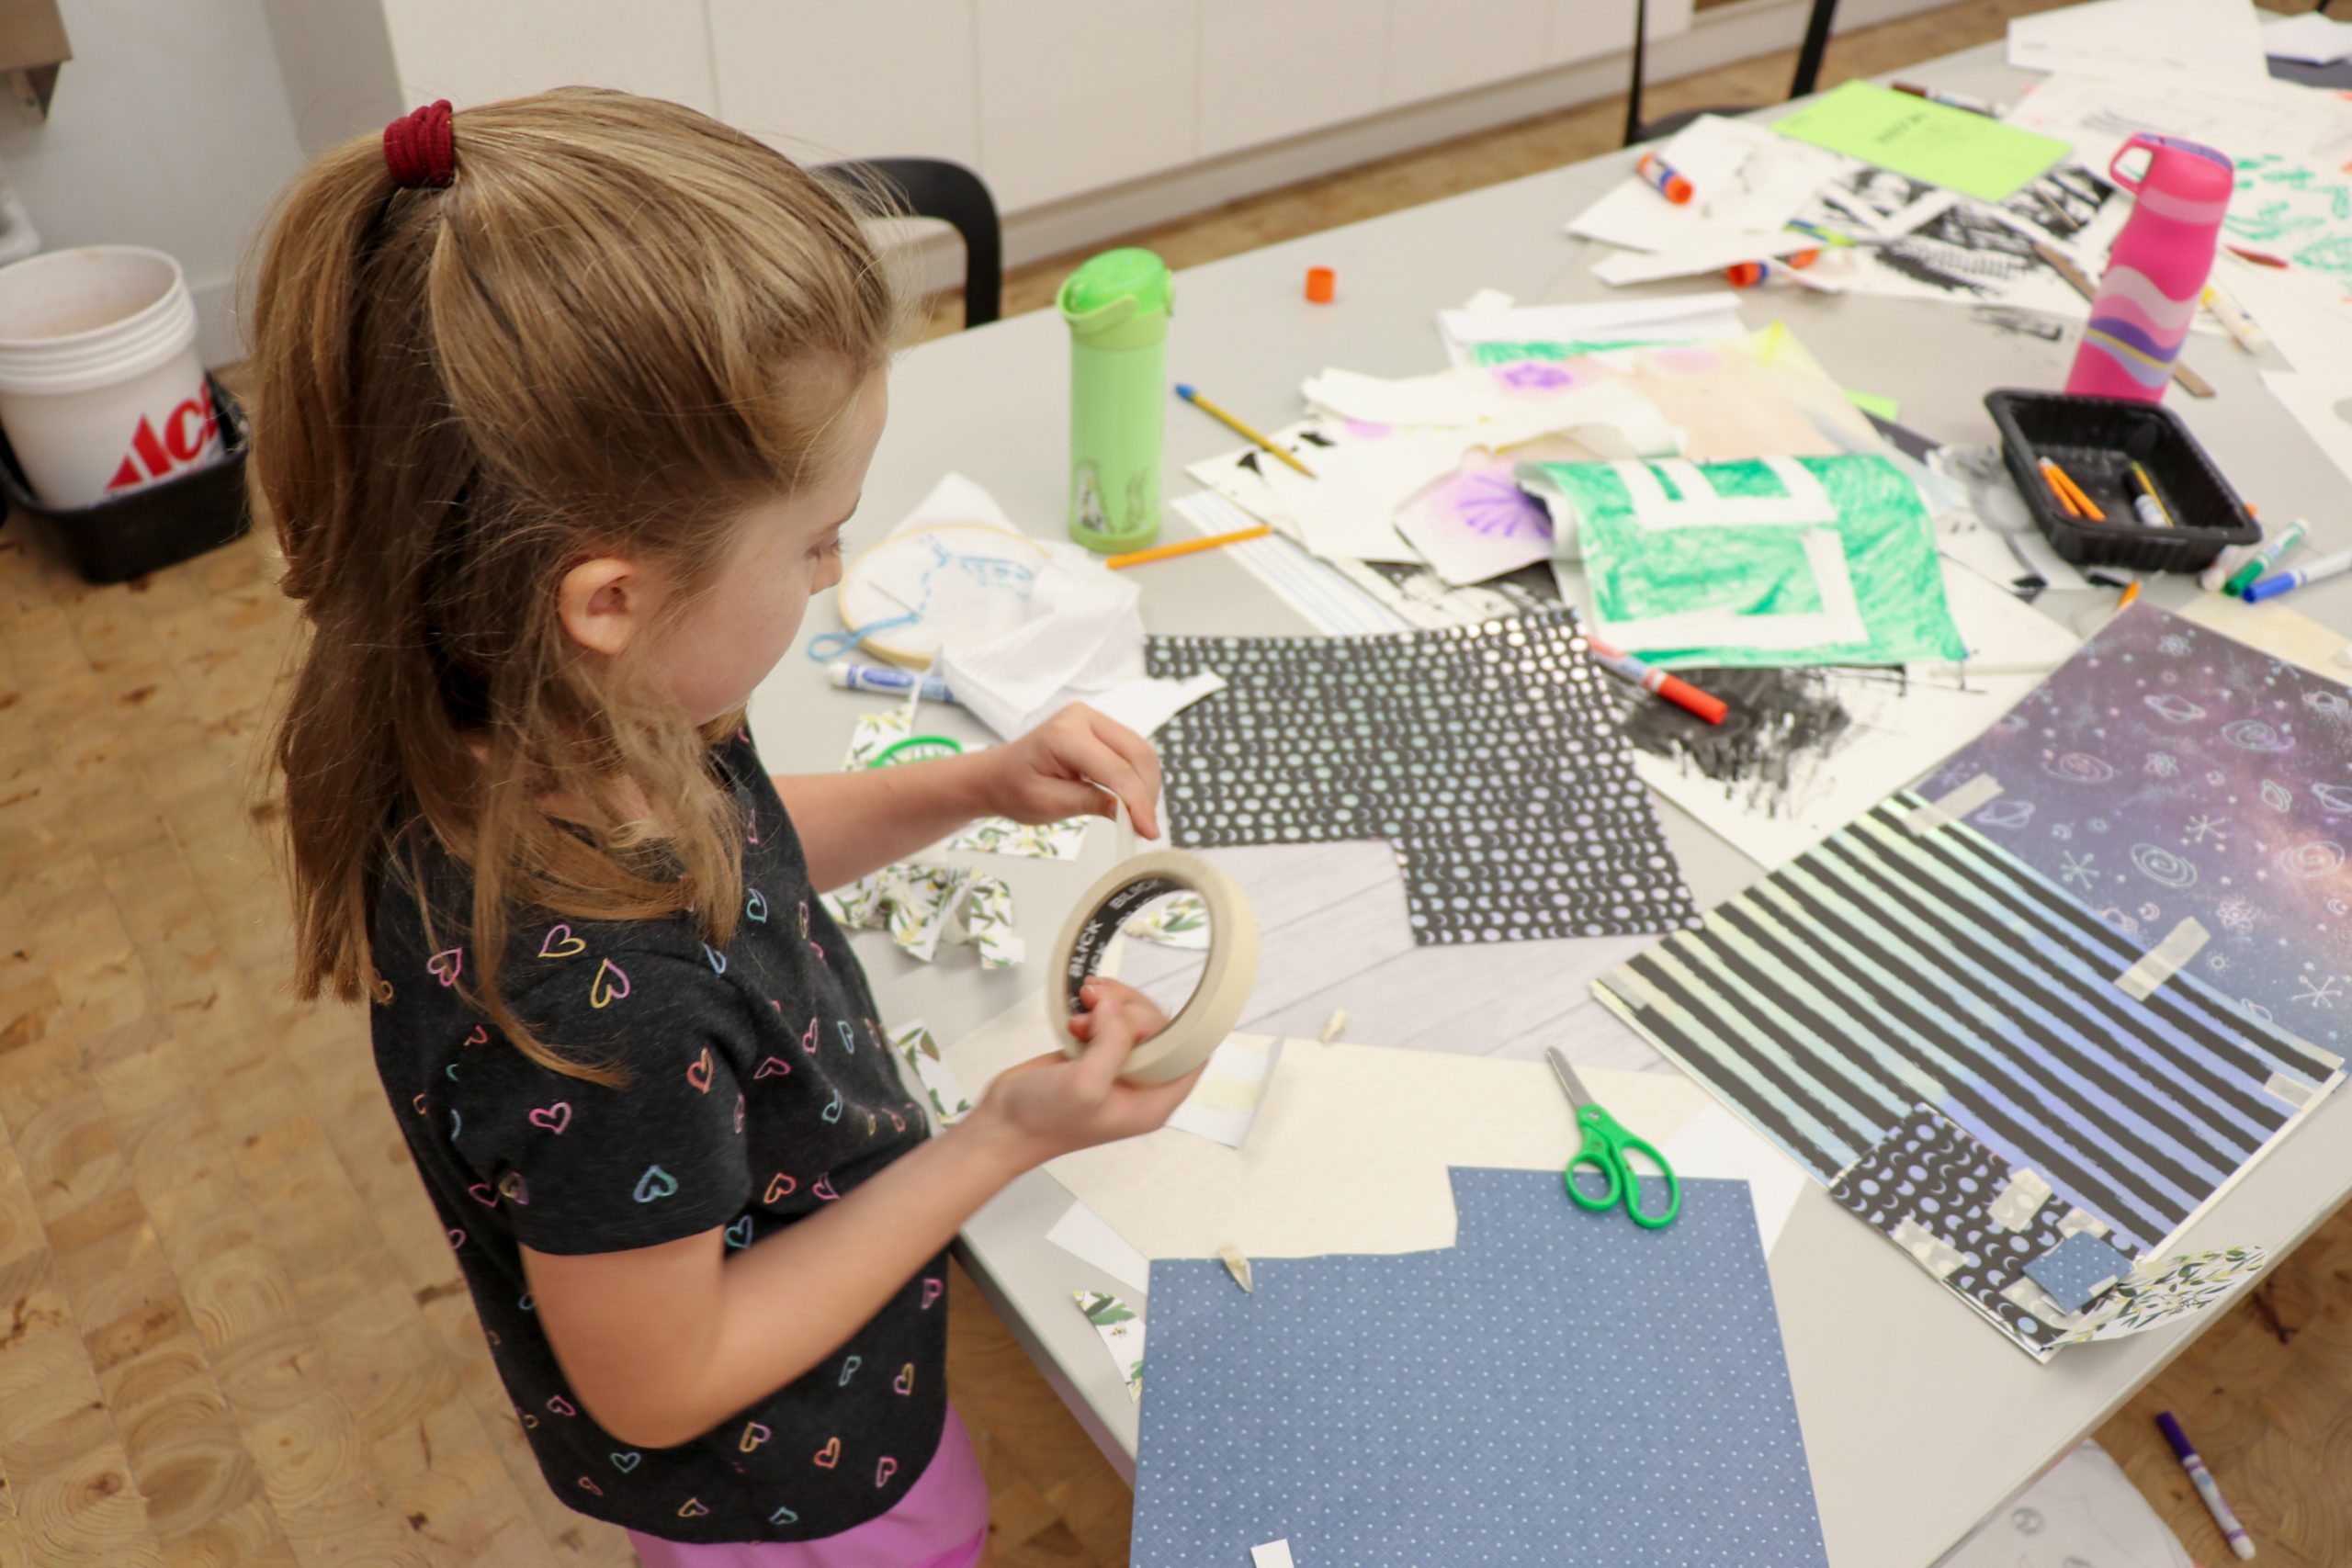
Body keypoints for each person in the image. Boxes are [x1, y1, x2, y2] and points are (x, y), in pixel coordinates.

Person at [249, 91, 1200, 1568]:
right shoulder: (579, 1008)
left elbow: (733, 863)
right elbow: (659, 1378)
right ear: (611, 596)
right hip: (783, 1489)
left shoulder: (580, 703)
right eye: (818, 540)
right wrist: (996, 1142)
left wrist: (969, 782)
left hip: (815, 1318)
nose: (836, 576)